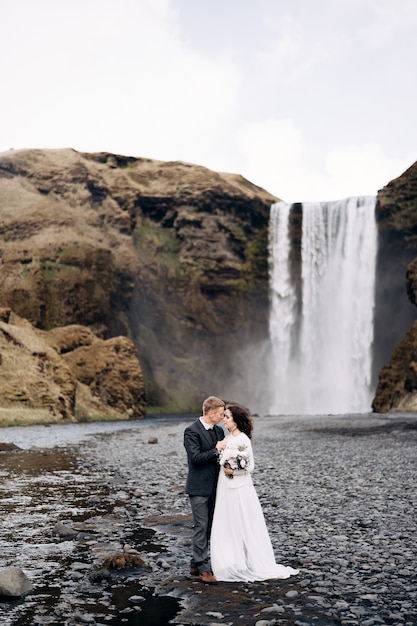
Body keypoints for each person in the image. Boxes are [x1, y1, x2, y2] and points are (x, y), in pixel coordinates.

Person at [210, 403, 299, 582]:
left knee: (242, 522)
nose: (224, 420)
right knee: (228, 522)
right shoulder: (227, 438)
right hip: (225, 488)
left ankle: (248, 563)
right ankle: (233, 561)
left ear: (236, 420)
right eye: (224, 416)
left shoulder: (243, 440)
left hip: (240, 488)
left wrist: (234, 470)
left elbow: (250, 466)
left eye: (227, 417)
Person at [184, 395, 227, 584]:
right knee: (201, 526)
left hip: (217, 486)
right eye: (220, 413)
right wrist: (217, 450)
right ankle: (203, 568)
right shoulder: (191, 431)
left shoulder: (219, 430)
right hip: (199, 487)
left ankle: (194, 563)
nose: (223, 417)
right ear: (210, 413)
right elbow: (196, 458)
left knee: (209, 526)